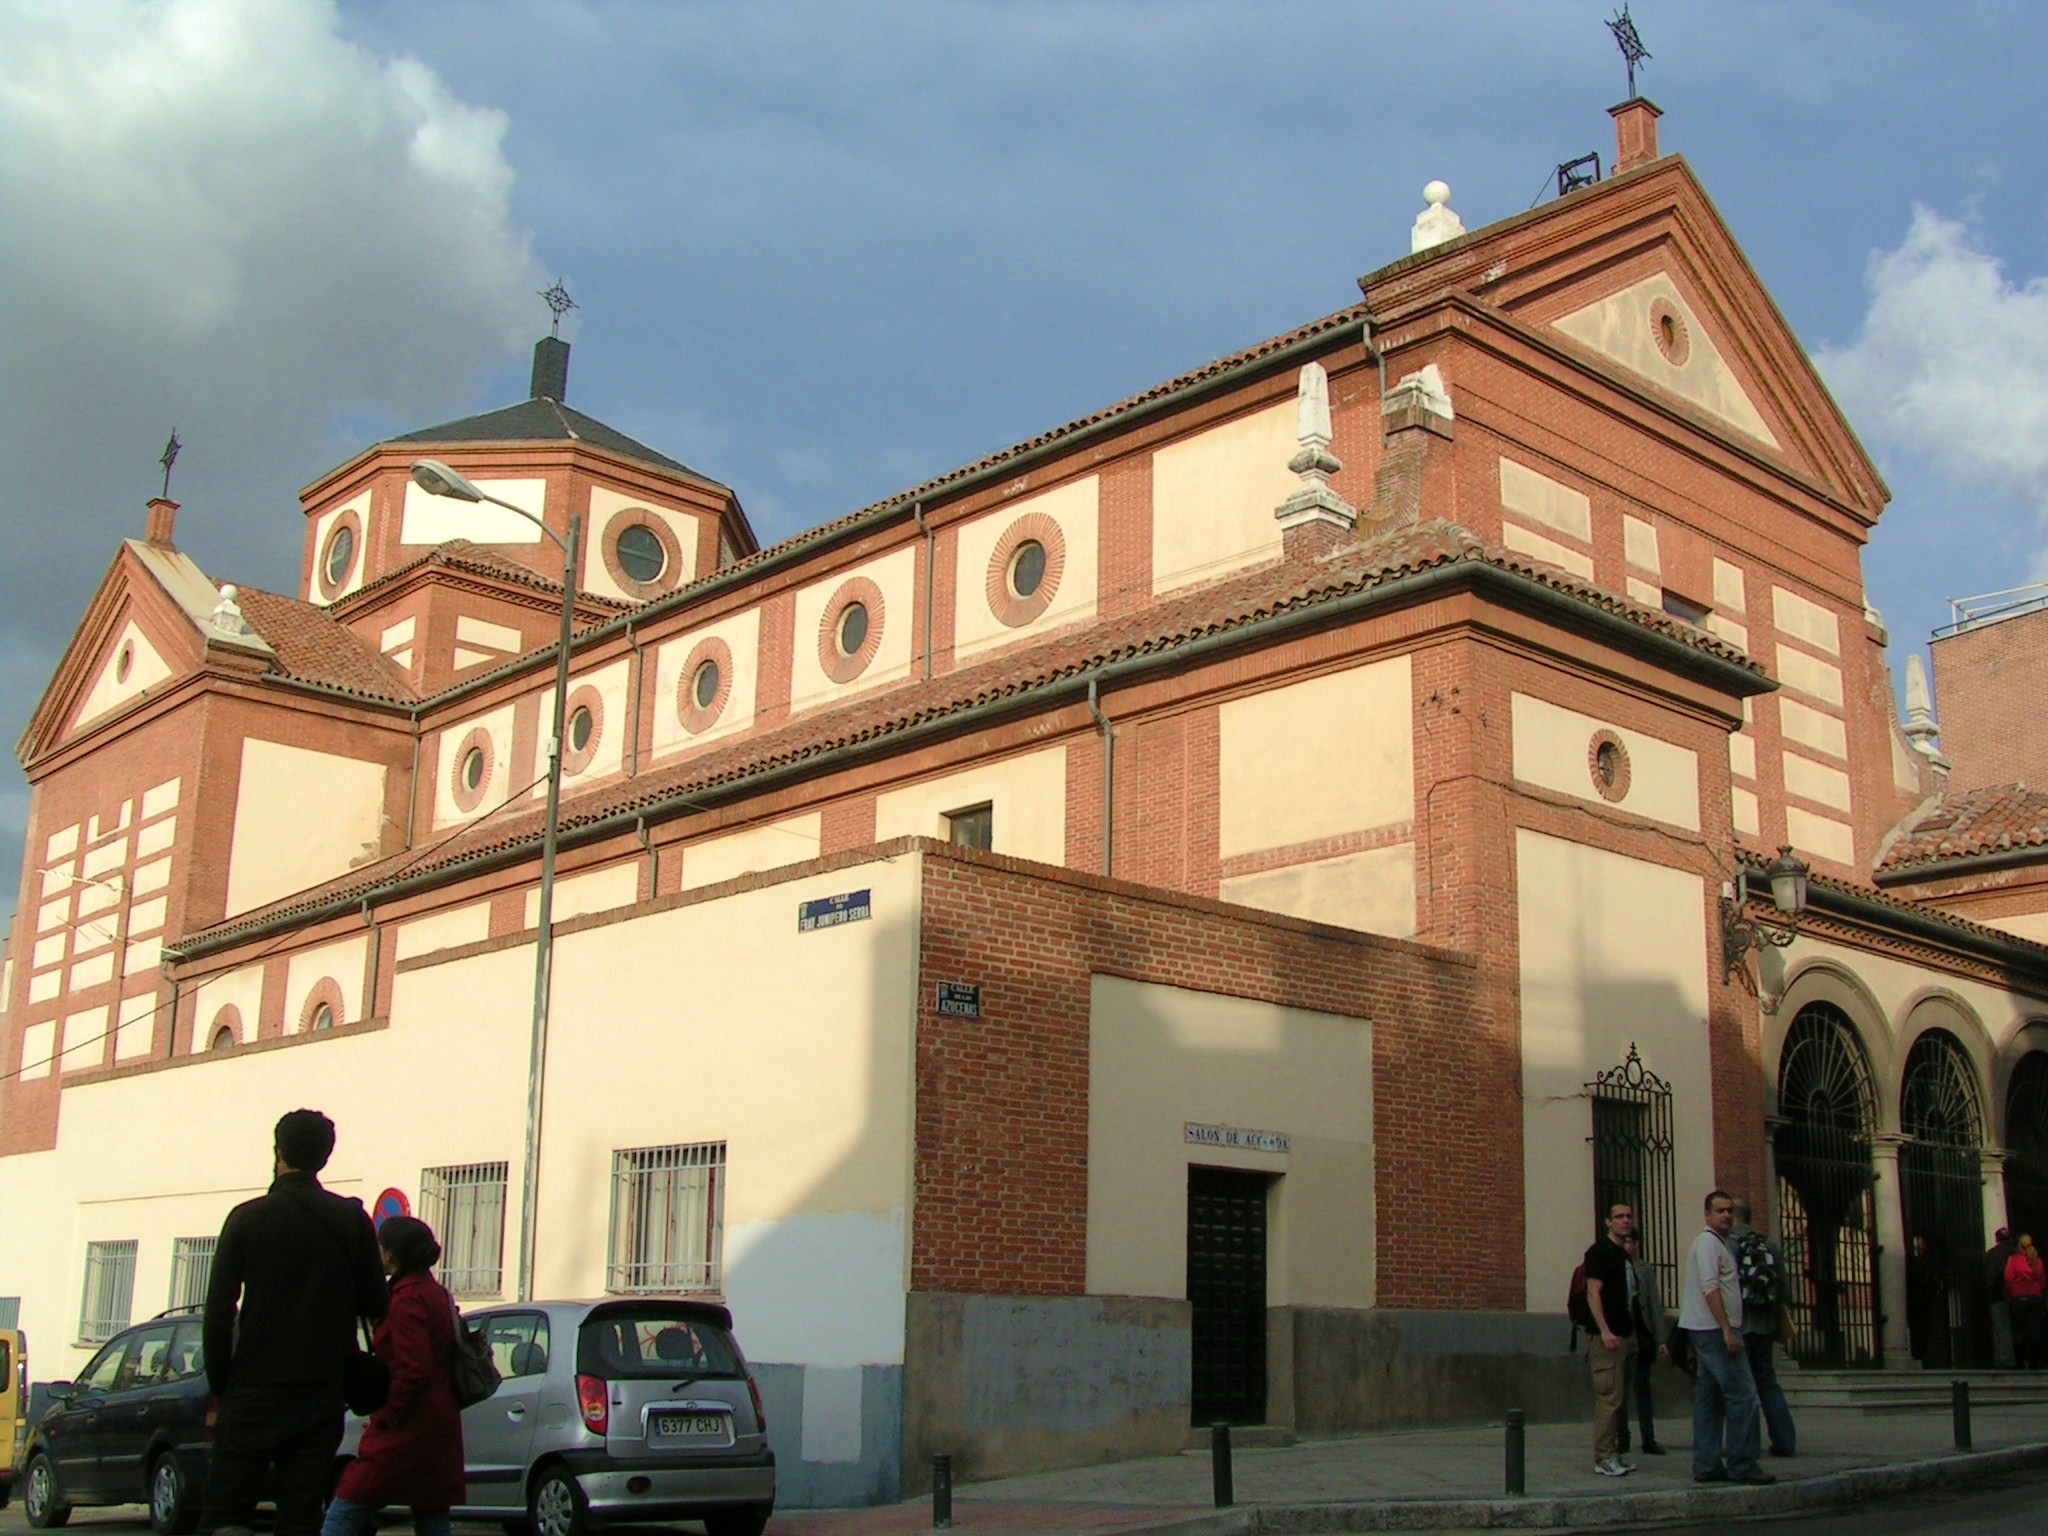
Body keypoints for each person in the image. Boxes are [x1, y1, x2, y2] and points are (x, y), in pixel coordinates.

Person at [202, 1110, 388, 1536]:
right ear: (325, 1157)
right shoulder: (350, 1220)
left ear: (278, 1151)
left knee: (226, 1513)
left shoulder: (246, 1218)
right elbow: (376, 1301)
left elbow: (218, 1312)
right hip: (321, 1389)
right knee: (301, 1513)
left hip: (252, 1386)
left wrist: (221, 1383)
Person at [322, 1216, 466, 1536]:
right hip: (439, 1420)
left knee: (348, 1501)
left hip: (407, 1424)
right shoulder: (435, 1293)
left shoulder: (406, 1298)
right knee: (432, 1513)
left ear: (391, 1254)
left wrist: (387, 1413)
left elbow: (414, 1368)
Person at [1679, 1189, 1774, 1487]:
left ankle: (1707, 1463)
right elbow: (1710, 1288)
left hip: (1708, 1329)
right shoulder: (1708, 1244)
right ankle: (1743, 1463)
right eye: (1720, 1211)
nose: (1726, 1215)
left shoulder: (1718, 1244)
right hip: (1714, 1331)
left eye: (1729, 1211)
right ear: (1707, 1214)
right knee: (1743, 1395)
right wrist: (1727, 1330)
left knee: (1709, 1397)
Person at [1729, 1201, 1796, 1457]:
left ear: (1732, 1217)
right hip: (1765, 1324)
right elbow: (1784, 1290)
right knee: (1767, 1381)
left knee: (1741, 1386)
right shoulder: (1769, 1246)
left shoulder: (1729, 1245)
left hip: (1739, 1324)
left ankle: (1746, 1443)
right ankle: (1785, 1440)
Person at [1581, 1202, 1638, 1478]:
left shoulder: (1623, 1255)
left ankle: (1615, 1452)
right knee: (1608, 1398)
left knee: (1620, 1398)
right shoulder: (1599, 1252)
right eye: (1618, 1216)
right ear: (1608, 1222)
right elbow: (1594, 1292)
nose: (1624, 1221)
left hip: (1625, 1336)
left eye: (1628, 1216)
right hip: (1607, 1338)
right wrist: (1604, 1330)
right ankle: (1603, 1456)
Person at [1616, 1231, 1668, 1456]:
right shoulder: (1614, 1266)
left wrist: (1661, 1338)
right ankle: (1622, 1437)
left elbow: (1654, 1304)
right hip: (1622, 1333)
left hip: (1643, 1334)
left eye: (1631, 1241)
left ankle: (1648, 1437)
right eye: (1625, 1241)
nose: (1628, 1245)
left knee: (1643, 1387)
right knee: (1620, 1390)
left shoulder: (1645, 1269)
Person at [2005, 1233, 2047, 1370]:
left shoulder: (2014, 1260)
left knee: (2018, 1331)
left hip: (2019, 1297)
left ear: (2019, 1245)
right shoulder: (2037, 1261)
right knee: (2035, 1330)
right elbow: (2042, 1281)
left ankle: (2020, 1362)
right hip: (2035, 1297)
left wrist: (2010, 1292)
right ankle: (2034, 1362)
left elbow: (2008, 1279)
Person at [1985, 1228, 2018, 1370]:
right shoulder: (2019, 1253)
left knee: (2001, 1328)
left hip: (1999, 1295)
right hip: (2020, 1295)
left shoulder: (1993, 1254)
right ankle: (2023, 1358)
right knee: (2019, 1328)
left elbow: (1990, 1276)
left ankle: (2005, 1359)